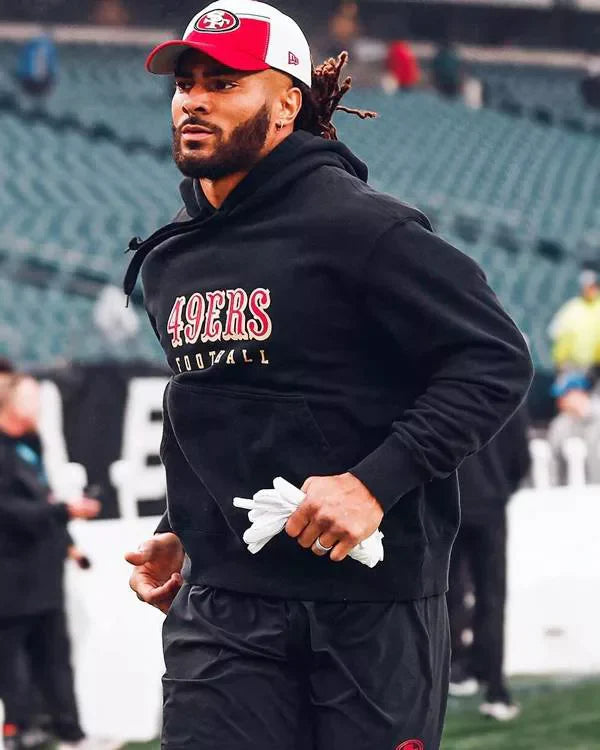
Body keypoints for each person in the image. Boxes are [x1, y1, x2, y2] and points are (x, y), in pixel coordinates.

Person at [123, 2, 532, 748]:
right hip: (224, 606)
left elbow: (493, 360)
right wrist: (180, 525)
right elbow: (211, 405)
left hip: (370, 607)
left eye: (224, 83)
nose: (194, 101)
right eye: (186, 84)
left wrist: (373, 483)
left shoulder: (365, 229)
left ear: (287, 103)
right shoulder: (170, 258)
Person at [0, 371, 116, 750]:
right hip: (10, 582)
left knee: (55, 658)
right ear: (9, 403)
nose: (38, 405)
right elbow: (9, 510)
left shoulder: (30, 443)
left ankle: (71, 734)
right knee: (13, 665)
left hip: (44, 577)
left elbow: (42, 499)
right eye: (30, 398)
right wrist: (64, 511)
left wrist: (68, 544)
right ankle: (17, 733)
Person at [447, 407, 530, 721]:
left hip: (449, 506)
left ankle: (456, 669)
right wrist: (501, 491)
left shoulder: (443, 390)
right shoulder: (505, 394)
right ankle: (495, 689)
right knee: (492, 596)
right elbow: (521, 458)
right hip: (491, 506)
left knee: (446, 589)